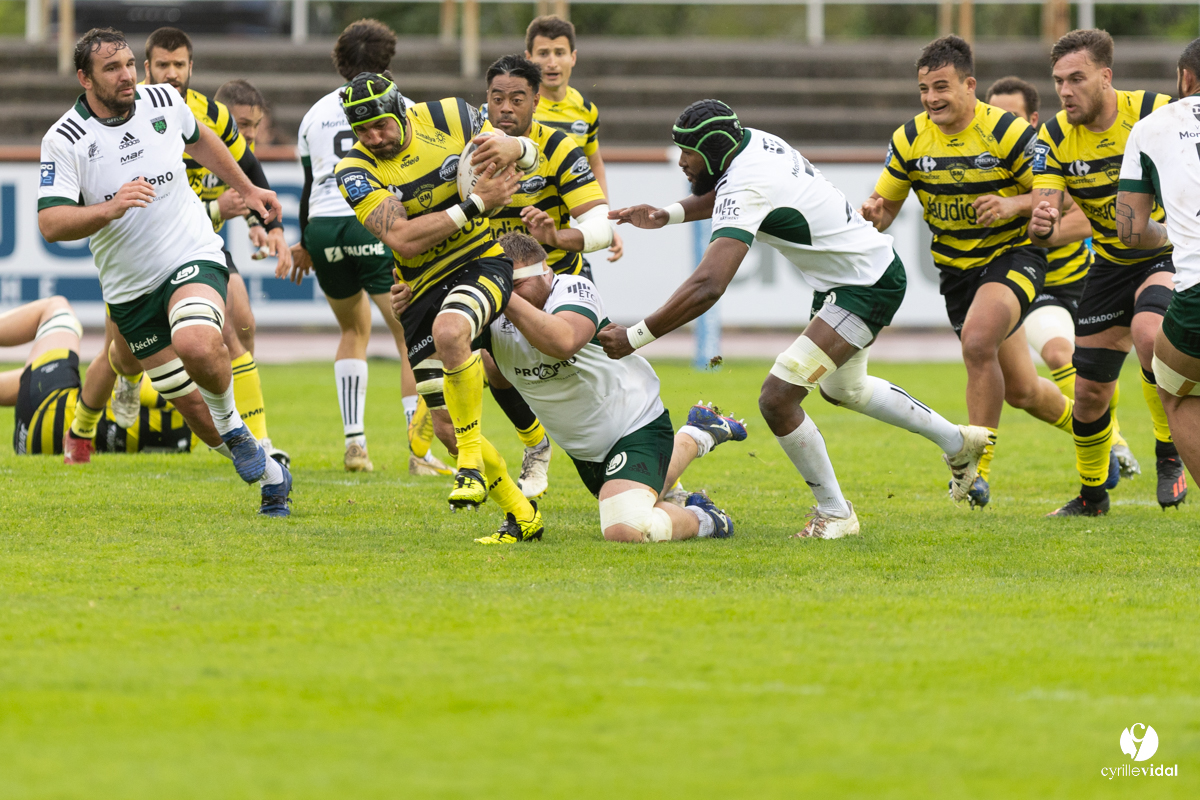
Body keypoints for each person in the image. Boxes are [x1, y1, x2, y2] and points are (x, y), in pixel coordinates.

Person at [599, 100, 991, 539]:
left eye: (688, 151)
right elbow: (724, 193)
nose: (682, 162)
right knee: (845, 388)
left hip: (865, 284)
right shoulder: (752, 144)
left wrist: (636, 335)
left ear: (712, 149)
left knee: (778, 397)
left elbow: (709, 284)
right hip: (849, 278)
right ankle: (959, 443)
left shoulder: (748, 182)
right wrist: (666, 214)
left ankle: (836, 513)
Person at [38, 27, 293, 515]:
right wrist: (108, 209)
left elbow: (205, 143)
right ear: (84, 78)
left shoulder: (163, 101)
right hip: (131, 293)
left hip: (189, 253)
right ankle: (271, 472)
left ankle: (237, 429)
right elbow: (51, 223)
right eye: (112, 69)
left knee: (199, 341)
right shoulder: (65, 138)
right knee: (197, 415)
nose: (127, 75)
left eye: (130, 64)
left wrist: (251, 189)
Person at [403, 232, 740, 543]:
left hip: (637, 424)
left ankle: (706, 518)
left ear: (544, 271)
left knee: (625, 527)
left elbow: (562, 341)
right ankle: (698, 432)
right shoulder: (496, 319)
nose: (507, 293)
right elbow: (452, 348)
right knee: (640, 494)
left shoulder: (573, 289)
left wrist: (499, 291)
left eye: (514, 283)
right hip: (584, 450)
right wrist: (413, 306)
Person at [860, 35, 1075, 509]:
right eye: (923, 89)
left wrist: (1013, 204)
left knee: (977, 341)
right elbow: (886, 207)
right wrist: (875, 213)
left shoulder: (1007, 132)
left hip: (1015, 255)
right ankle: (1098, 432)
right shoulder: (910, 137)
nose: (931, 98)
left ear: (969, 85)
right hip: (957, 272)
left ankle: (975, 470)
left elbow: (1056, 192)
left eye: (941, 87)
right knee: (1020, 389)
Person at [333, 71, 543, 537]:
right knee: (446, 428)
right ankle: (523, 516)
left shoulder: (451, 116)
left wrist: (517, 148)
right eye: (362, 131)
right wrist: (473, 206)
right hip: (416, 289)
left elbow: (529, 156)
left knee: (453, 332)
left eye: (382, 125)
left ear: (402, 111)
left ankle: (476, 461)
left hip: (479, 262)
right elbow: (403, 240)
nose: (374, 137)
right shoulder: (353, 170)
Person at [1029, 29, 1184, 515]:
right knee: (1090, 392)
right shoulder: (1053, 136)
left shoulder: (1157, 111)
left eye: (1077, 79)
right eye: (1058, 81)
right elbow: (1046, 209)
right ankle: (1093, 497)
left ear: (1106, 76)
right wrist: (1043, 218)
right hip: (1110, 265)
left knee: (1148, 330)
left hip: (1167, 252)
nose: (1065, 91)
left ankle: (1169, 451)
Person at [288, 18, 449, 475]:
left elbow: (307, 184)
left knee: (351, 332)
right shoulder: (402, 106)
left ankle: (355, 444)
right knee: (408, 337)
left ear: (340, 60)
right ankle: (420, 455)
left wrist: (305, 241)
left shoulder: (314, 113)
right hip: (371, 222)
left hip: (323, 228)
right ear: (388, 60)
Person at [143, 26, 290, 466]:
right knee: (123, 357)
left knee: (239, 326)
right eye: (163, 65)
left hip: (196, 244)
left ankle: (259, 441)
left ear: (191, 67)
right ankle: (97, 415)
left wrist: (269, 222)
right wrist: (223, 212)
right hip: (143, 250)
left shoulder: (211, 115)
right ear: (147, 67)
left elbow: (245, 167)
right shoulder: (127, 115)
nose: (171, 73)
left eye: (179, 65)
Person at [984, 76, 1140, 479]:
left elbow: (1087, 217)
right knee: (1058, 355)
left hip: (1087, 280)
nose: (1004, 124)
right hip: (1040, 288)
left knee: (1097, 368)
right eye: (995, 116)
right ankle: (1115, 441)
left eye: (1013, 116)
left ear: (1032, 120)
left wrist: (1018, 208)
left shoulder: (1055, 157)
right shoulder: (983, 168)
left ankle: (1115, 440)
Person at [476, 53, 615, 499]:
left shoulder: (558, 148)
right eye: (497, 98)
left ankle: (641, 448)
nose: (506, 108)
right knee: (492, 366)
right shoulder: (465, 148)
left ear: (537, 101)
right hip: (492, 280)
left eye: (517, 98)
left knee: (586, 375)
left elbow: (600, 224)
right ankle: (535, 445)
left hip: (557, 279)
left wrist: (561, 234)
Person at [1116, 37, 1200, 498]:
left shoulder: (1153, 126)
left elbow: (1128, 230)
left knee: (1173, 386)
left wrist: (1174, 234)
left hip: (1197, 291)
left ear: (1185, 78)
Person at [2, 298, 193, 455]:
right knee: (36, 376)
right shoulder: (195, 435)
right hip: (37, 443)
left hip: (51, 418)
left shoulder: (170, 378)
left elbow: (111, 366)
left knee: (56, 309)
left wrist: (115, 301)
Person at [524, 14, 623, 267]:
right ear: (528, 59)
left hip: (564, 236)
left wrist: (603, 221)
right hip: (523, 231)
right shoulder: (520, 109)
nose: (552, 62)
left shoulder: (585, 109)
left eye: (560, 52)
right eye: (543, 53)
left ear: (573, 57)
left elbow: (595, 163)